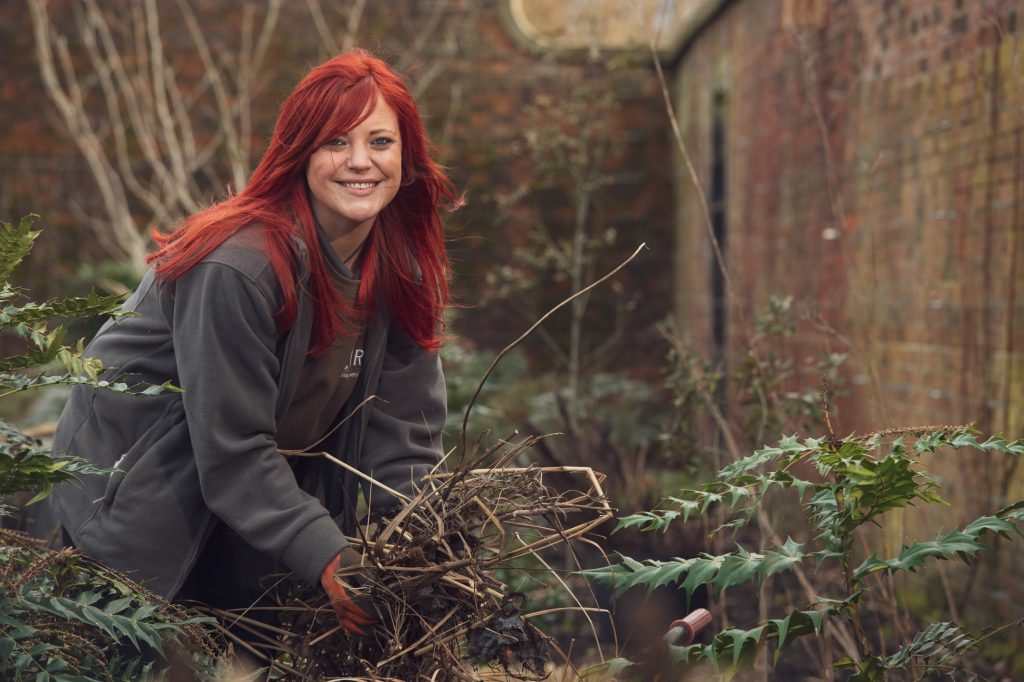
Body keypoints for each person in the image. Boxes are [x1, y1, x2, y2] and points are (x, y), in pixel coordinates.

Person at [49, 49, 458, 644]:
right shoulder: (238, 267)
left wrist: (428, 554)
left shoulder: (399, 272)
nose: (361, 162)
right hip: (136, 512)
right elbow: (234, 448)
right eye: (336, 142)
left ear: (408, 155)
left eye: (380, 142)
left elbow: (404, 444)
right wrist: (329, 558)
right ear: (300, 153)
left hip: (252, 504)